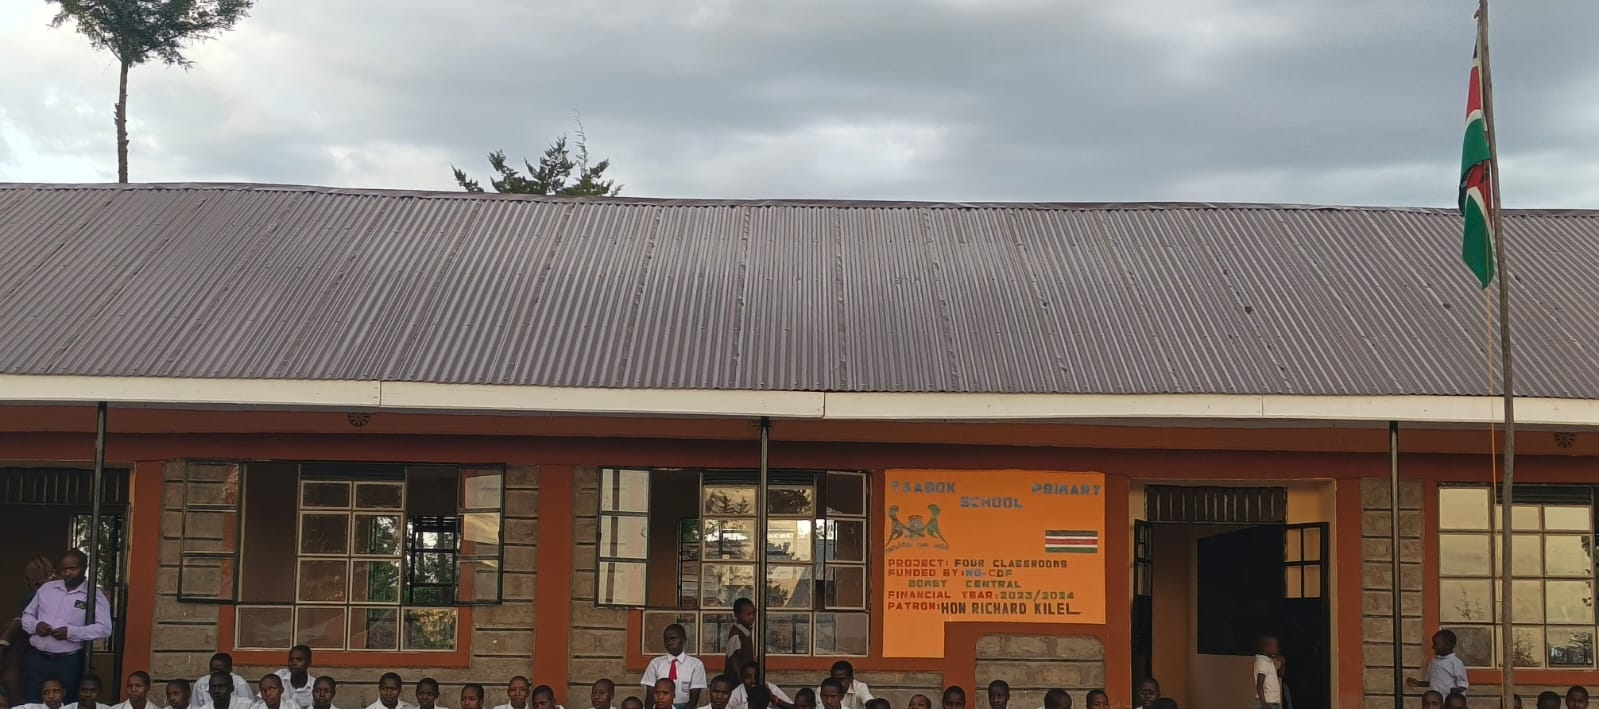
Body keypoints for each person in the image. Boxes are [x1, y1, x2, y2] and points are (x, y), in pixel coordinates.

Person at [19, 550, 111, 702]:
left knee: (67, 702)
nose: (68, 573)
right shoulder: (47, 589)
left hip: (68, 662)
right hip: (37, 658)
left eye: (72, 569)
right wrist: (36, 626)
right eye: (64, 569)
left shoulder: (94, 594)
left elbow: (105, 628)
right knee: (33, 701)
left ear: (84, 568)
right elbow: (27, 616)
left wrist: (71, 632)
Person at [641, 625, 706, 709]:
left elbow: (694, 699)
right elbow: (650, 695)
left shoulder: (696, 665)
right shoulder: (655, 663)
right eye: (666, 639)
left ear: (684, 639)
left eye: (673, 639)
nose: (669, 643)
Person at [1407, 631, 1467, 698]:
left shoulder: (1456, 663)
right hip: (1435, 700)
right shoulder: (1433, 661)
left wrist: (1456, 691)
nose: (1433, 647)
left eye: (1436, 644)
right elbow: (1430, 682)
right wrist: (1418, 683)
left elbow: (1463, 684)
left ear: (1447, 646)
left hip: (1447, 700)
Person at [724, 600, 755, 679]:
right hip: (736, 679)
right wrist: (740, 678)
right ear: (737, 615)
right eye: (748, 614)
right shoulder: (736, 633)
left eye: (753, 613)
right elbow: (733, 658)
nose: (752, 617)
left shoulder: (746, 631)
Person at [1254, 636, 1283, 709]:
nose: (1277, 649)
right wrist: (1264, 704)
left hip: (1272, 701)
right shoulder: (1263, 663)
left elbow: (1280, 675)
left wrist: (1283, 663)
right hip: (1268, 702)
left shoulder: (1268, 661)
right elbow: (1259, 685)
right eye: (1276, 646)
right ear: (1267, 647)